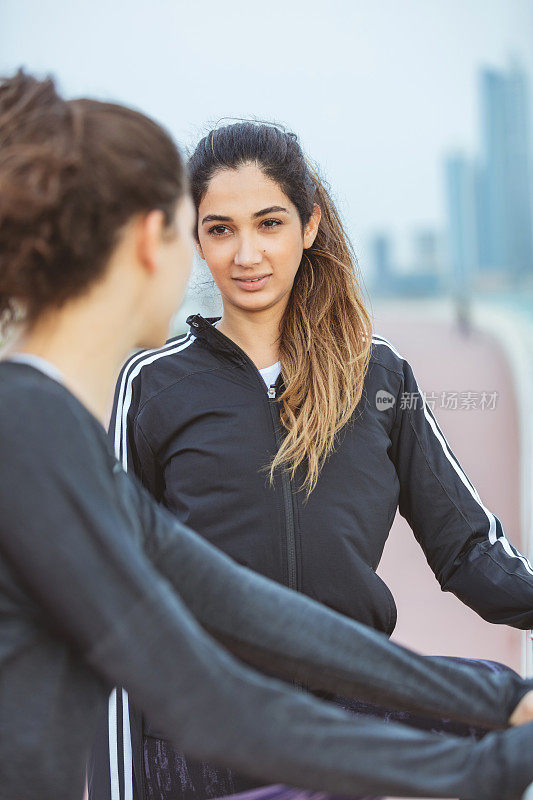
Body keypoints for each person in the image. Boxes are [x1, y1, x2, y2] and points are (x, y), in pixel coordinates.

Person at [2, 69, 533, 800]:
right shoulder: (52, 424)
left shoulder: (39, 423)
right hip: (214, 754)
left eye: (268, 224)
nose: (240, 255)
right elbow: (192, 687)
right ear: (159, 240)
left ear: (308, 225)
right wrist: (486, 756)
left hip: (333, 735)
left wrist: (496, 701)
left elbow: (258, 614)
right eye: (214, 230)